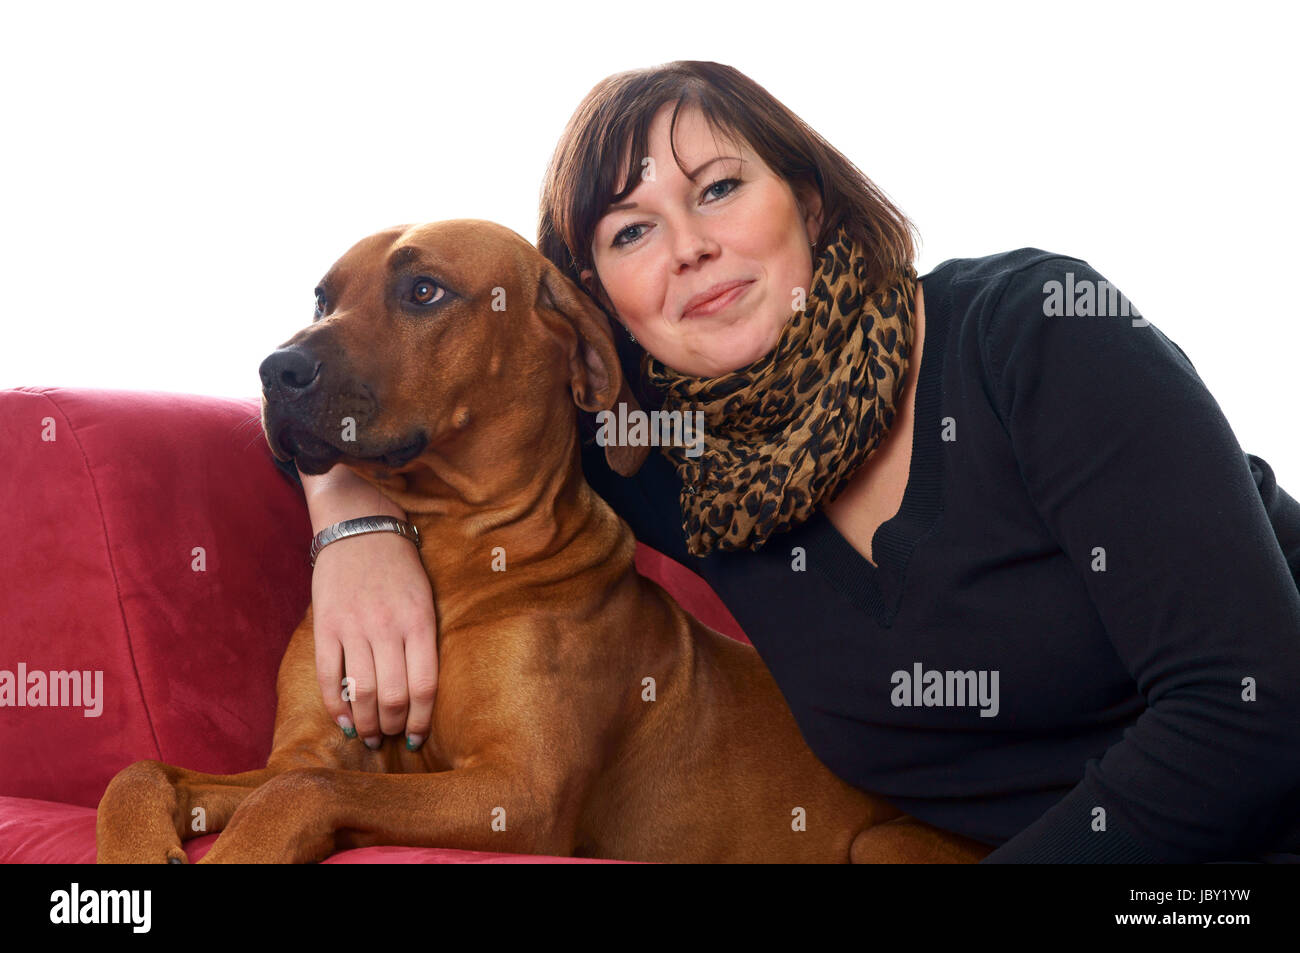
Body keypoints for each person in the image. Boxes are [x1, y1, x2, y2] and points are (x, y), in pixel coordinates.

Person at [273, 61, 1300, 862]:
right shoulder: (670, 463)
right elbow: (399, 392)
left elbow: (1248, 711)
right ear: (597, 307)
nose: (687, 246)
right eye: (632, 229)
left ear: (808, 200)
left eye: (719, 187)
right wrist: (349, 516)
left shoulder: (1034, 332)